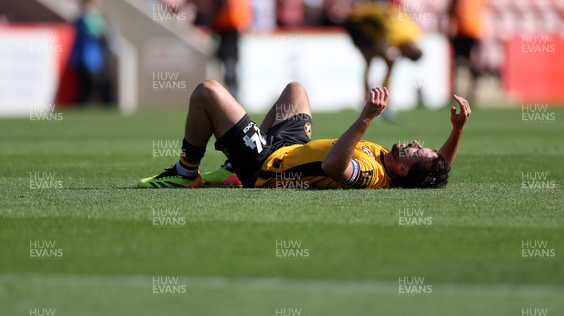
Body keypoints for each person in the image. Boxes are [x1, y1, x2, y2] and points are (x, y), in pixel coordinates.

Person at [138, 80, 471, 189]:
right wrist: (457, 131)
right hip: (291, 146)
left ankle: (185, 172)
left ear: (402, 171)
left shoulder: (374, 173)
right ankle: (230, 170)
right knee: (295, 90)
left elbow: (333, 168)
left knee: (207, 91)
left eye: (416, 153)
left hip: (267, 164)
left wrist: (365, 119)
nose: (415, 144)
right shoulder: (396, 163)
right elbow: (437, 166)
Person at [344, 2, 423, 103]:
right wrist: (387, 52)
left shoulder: (415, 33)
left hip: (374, 24)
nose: (403, 56)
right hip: (358, 24)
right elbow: (384, 46)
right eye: (405, 55)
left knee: (390, 63)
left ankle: (384, 101)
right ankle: (368, 101)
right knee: (370, 62)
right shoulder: (394, 34)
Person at [210, 0, 252, 99]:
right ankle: (233, 91)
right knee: (232, 57)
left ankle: (230, 92)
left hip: (225, 20)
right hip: (239, 19)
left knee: (227, 57)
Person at [448, 0, 489, 103]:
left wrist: (449, 22)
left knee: (458, 62)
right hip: (477, 27)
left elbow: (453, 4)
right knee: (474, 62)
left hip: (461, 27)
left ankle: (457, 94)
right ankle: (474, 93)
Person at [70, 0, 112, 105]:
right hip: (89, 59)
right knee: (90, 88)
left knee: (88, 88)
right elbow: (100, 31)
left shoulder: (80, 18)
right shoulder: (86, 19)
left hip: (85, 58)